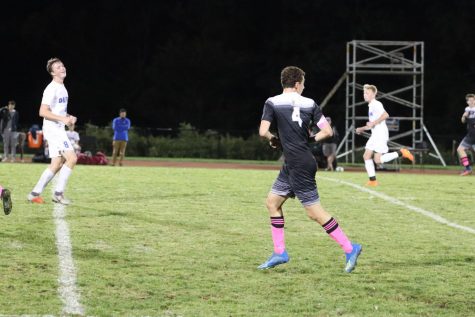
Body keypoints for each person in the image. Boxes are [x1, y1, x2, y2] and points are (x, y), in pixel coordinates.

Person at [257, 66, 362, 273]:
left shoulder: (272, 102)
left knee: (314, 213)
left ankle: (350, 248)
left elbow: (263, 131)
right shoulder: (310, 103)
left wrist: (274, 140)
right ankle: (280, 252)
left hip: (298, 164)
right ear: (297, 84)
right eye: (303, 83)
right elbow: (327, 131)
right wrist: (310, 139)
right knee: (272, 202)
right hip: (299, 161)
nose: (304, 87)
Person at [27, 57, 77, 205]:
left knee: (57, 163)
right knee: (72, 158)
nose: (62, 68)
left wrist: (68, 117)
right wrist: (62, 120)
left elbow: (57, 111)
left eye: (62, 65)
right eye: (58, 67)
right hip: (53, 129)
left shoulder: (62, 87)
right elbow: (42, 111)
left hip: (56, 127)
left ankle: (34, 193)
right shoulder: (51, 88)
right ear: (52, 73)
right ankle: (58, 194)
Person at [355, 84, 414, 186]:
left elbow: (386, 115)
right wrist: (361, 129)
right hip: (375, 135)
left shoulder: (376, 104)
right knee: (366, 156)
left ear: (374, 94)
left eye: (367, 93)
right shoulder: (371, 106)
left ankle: (401, 152)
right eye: (364, 93)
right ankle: (372, 181)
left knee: (378, 160)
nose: (365, 95)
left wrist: (373, 123)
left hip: (380, 135)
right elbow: (371, 125)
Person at [456, 93, 475, 176]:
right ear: (467, 102)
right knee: (460, 149)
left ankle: (468, 169)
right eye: (469, 100)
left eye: (473, 100)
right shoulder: (467, 109)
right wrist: (463, 116)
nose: (471, 101)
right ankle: (468, 168)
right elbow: (463, 121)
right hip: (470, 135)